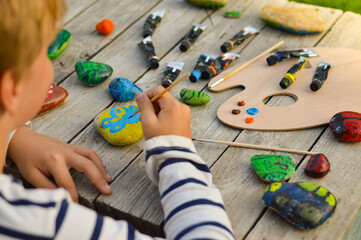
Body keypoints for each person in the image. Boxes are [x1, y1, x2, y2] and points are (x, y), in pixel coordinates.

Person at [0, 0, 235, 239]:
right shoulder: (46, 224)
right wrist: (177, 154)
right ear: (12, 90)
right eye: (44, 52)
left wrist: (12, 136)